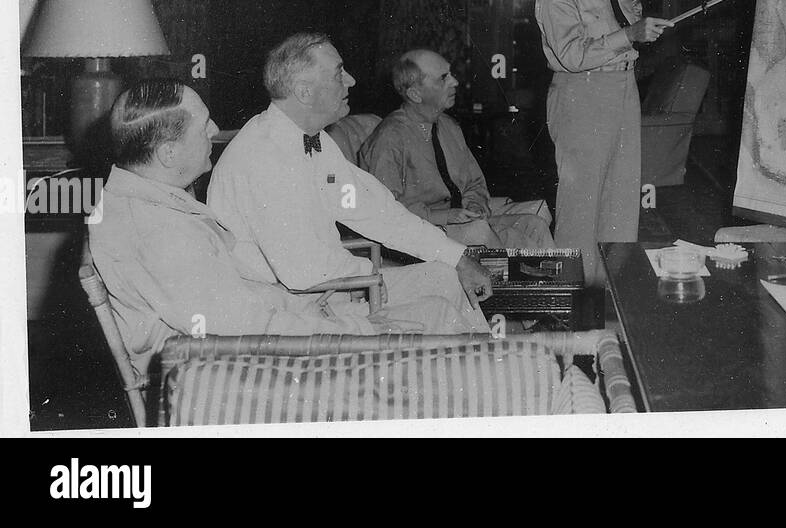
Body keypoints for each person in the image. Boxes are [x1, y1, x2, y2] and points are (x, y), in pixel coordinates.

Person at [89, 79, 377, 381]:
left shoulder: (145, 202)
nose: (214, 130)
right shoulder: (160, 232)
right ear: (168, 153)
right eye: (202, 126)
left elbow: (235, 300)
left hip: (218, 358)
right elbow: (245, 327)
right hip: (214, 381)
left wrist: (322, 312)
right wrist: (356, 330)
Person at [206, 32, 492, 335]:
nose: (352, 81)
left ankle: (496, 367)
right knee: (439, 314)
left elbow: (379, 213)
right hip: (294, 311)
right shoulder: (262, 156)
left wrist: (458, 257)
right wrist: (371, 274)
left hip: (332, 291)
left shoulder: (313, 141)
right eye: (339, 73)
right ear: (304, 92)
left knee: (446, 276)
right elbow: (303, 271)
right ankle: (489, 369)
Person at [534, 0, 672, 283]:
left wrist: (640, 30)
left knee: (622, 200)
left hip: (623, 87)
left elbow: (630, 9)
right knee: (581, 207)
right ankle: (573, 301)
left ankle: (611, 297)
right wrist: (628, 34)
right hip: (582, 94)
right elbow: (572, 55)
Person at [359, 48, 554, 249]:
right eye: (443, 78)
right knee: (479, 233)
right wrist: (445, 216)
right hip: (417, 233)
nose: (455, 82)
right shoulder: (389, 138)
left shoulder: (448, 126)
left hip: (458, 221)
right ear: (415, 94)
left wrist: (475, 204)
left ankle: (547, 279)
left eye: (451, 74)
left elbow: (474, 183)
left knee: (535, 225)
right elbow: (384, 211)